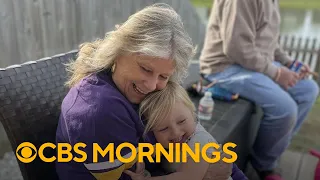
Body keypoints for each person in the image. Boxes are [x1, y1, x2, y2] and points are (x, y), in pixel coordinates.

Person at [55, 3, 241, 180]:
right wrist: (204, 174)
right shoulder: (99, 110)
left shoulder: (155, 92)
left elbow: (206, 144)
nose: (152, 85)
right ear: (120, 51)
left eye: (163, 76)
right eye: (145, 69)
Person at [199, 0, 320, 180]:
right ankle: (264, 166)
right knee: (285, 109)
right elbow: (236, 47)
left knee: (308, 89)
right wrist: (277, 72)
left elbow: (267, 41)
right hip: (225, 67)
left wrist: (289, 62)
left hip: (252, 65)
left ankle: (274, 148)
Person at [123, 81, 248, 180]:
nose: (176, 132)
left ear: (193, 113)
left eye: (182, 121)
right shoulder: (164, 147)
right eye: (163, 129)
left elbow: (188, 177)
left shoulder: (200, 141)